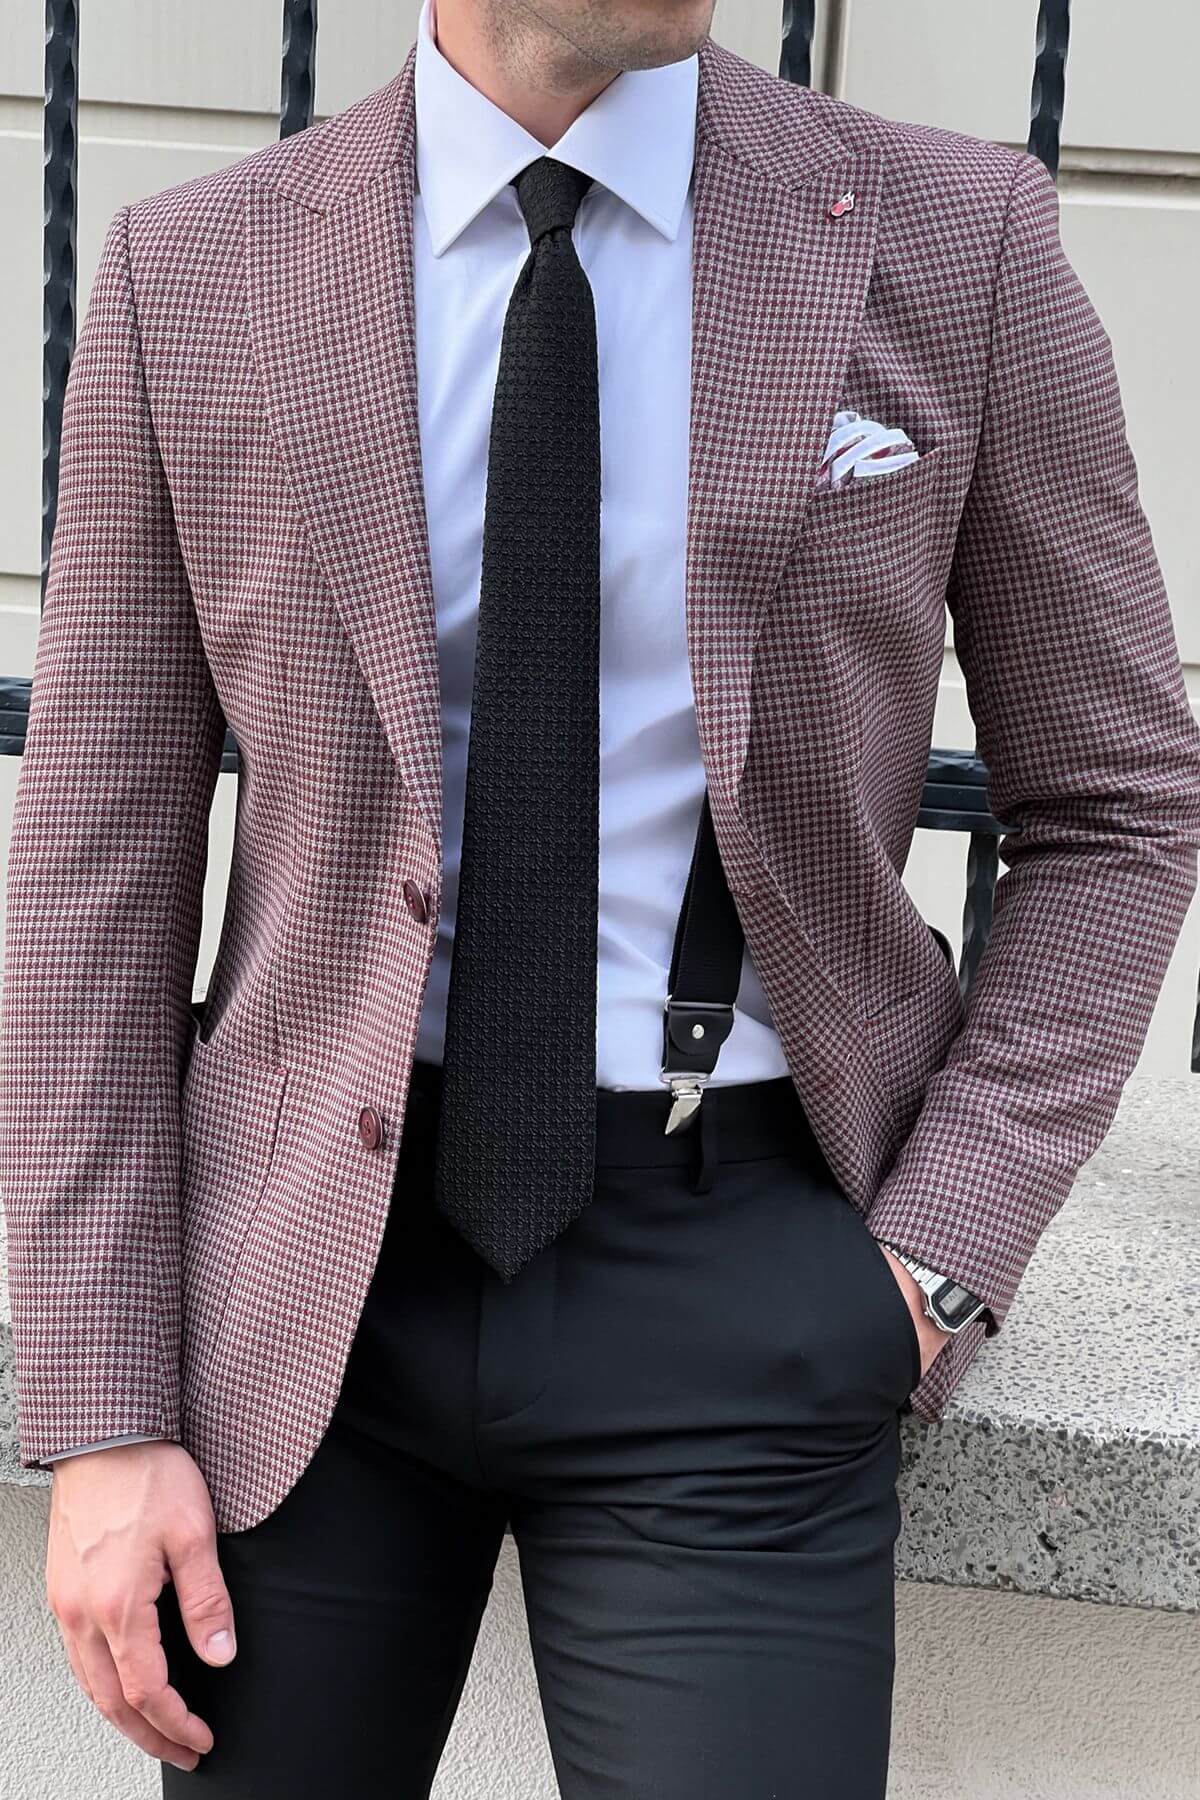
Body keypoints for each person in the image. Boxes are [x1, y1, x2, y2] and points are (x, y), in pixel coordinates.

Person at [3, 0, 1199, 1793]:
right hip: (306, 1305)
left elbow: (1117, 803)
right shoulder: (201, 274)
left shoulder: (959, 242)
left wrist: (937, 1258)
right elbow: (94, 873)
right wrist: (100, 1411)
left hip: (745, 1270)